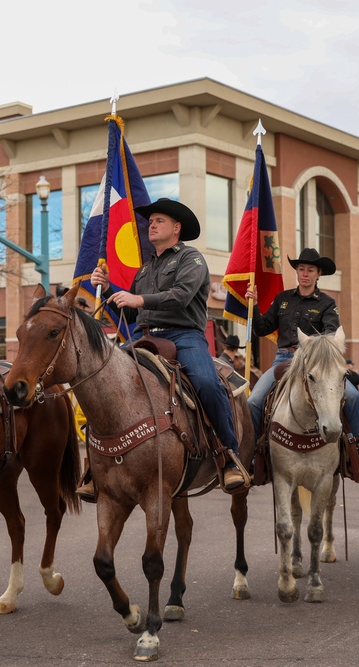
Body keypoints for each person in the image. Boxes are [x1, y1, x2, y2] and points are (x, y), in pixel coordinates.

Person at [89, 198, 250, 492]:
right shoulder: (144, 269)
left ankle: (229, 456)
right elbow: (131, 313)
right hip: (144, 336)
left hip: (183, 335)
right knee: (104, 377)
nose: (151, 224)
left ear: (176, 229)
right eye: (150, 221)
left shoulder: (192, 259)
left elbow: (181, 295)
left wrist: (138, 298)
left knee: (207, 383)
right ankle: (95, 465)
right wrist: (110, 288)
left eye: (159, 221)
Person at [245, 248, 359, 443]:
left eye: (310, 270)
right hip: (283, 360)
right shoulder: (283, 299)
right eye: (301, 269)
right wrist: (255, 305)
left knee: (352, 396)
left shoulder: (327, 303)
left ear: (319, 274)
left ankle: (352, 445)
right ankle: (254, 450)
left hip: (315, 363)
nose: (305, 274)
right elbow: (261, 329)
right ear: (297, 271)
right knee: (253, 401)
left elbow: (331, 334)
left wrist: (312, 347)